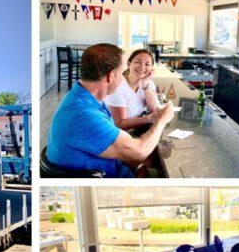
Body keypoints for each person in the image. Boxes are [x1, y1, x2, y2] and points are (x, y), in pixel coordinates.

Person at [46, 44, 174, 178]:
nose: (124, 77)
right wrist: (161, 120)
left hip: (113, 166)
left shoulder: (85, 98)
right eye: (122, 72)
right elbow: (140, 150)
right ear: (110, 76)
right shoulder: (84, 114)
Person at [105, 49, 162, 130]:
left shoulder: (148, 83)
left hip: (136, 129)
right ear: (128, 64)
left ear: (152, 68)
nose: (142, 67)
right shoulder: (118, 86)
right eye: (138, 62)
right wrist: (147, 119)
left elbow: (154, 109)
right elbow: (119, 123)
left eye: (147, 64)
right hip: (119, 134)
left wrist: (145, 85)